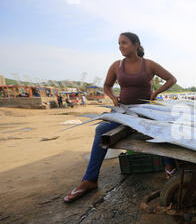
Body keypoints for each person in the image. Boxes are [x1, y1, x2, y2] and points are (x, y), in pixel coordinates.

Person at [64, 32, 177, 203]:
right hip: (123, 111)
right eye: (119, 43)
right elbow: (107, 86)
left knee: (162, 130)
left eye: (124, 43)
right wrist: (113, 98)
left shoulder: (149, 65)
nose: (120, 46)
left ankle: (169, 168)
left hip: (145, 111)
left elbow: (171, 79)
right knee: (101, 130)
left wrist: (155, 92)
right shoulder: (116, 66)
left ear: (136, 45)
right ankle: (89, 180)